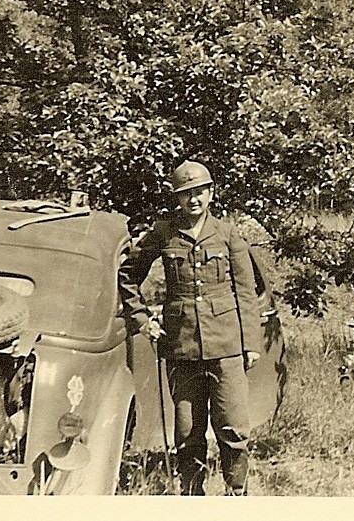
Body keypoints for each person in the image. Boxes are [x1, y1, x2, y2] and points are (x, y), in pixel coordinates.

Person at [119, 160, 262, 495]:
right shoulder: (164, 233)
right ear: (177, 198)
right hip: (181, 347)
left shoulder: (227, 234)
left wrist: (250, 342)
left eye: (199, 191)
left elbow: (246, 291)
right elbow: (127, 275)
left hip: (226, 346)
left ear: (211, 193)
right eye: (186, 194)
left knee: (233, 427)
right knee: (187, 430)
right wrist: (142, 321)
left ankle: (236, 495)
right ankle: (192, 498)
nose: (193, 199)